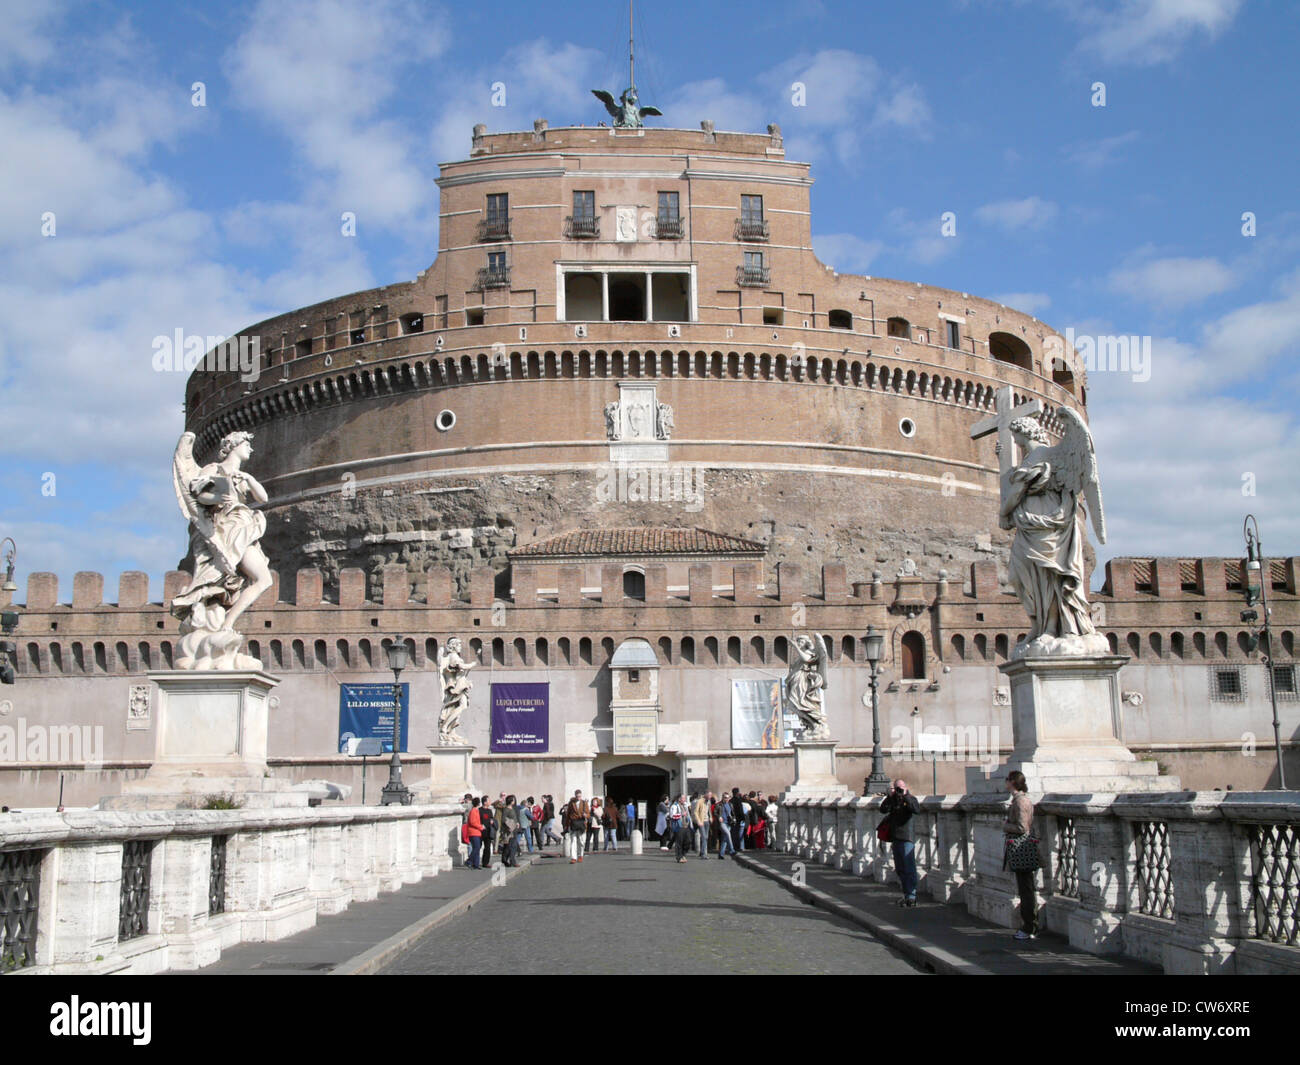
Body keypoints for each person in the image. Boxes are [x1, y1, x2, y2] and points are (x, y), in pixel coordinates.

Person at [1003, 770, 1039, 940]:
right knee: (1026, 887)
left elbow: (1022, 828)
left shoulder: (1020, 802)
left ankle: (1028, 927)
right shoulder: (1018, 801)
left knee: (1026, 889)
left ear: (1013, 782)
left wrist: (1006, 826)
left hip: (1021, 849)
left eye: (1007, 780)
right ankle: (1029, 925)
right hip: (1022, 848)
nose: (1005, 783)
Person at [879, 778, 921, 906]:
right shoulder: (893, 800)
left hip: (907, 838)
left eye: (900, 788)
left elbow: (916, 810)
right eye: (896, 788)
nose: (898, 791)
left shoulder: (910, 798)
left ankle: (912, 896)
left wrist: (905, 795)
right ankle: (906, 894)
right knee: (900, 869)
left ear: (905, 787)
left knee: (909, 868)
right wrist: (890, 797)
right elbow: (883, 809)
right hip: (896, 838)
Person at [564, 789, 589, 864]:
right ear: (575, 796)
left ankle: (580, 855)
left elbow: (588, 814)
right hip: (573, 823)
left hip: (581, 823)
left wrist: (586, 815)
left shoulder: (584, 803)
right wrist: (566, 825)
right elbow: (568, 814)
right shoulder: (571, 803)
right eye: (577, 796)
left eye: (580, 796)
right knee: (573, 841)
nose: (579, 797)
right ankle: (573, 858)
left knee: (581, 842)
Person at [501, 794, 521, 867]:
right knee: (511, 846)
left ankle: (506, 859)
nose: (514, 801)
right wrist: (508, 826)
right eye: (513, 799)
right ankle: (511, 861)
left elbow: (514, 818)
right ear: (511, 801)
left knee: (512, 846)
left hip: (514, 829)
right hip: (509, 830)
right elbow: (503, 819)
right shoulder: (506, 809)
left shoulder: (512, 808)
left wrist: (517, 823)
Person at [673, 794, 693, 863]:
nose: (685, 800)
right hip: (679, 826)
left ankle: (683, 854)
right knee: (679, 843)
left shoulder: (685, 806)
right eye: (683, 798)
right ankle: (679, 857)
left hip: (686, 826)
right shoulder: (675, 806)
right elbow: (672, 816)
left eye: (685, 798)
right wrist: (681, 814)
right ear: (679, 799)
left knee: (688, 841)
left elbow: (688, 815)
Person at [466, 796, 484, 869]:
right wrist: (480, 827)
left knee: (477, 848)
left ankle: (476, 864)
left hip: (477, 832)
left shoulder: (476, 810)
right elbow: (472, 822)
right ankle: (469, 861)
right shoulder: (473, 811)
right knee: (476, 848)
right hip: (474, 832)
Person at [715, 793, 734, 859]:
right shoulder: (718, 804)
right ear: (722, 798)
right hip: (722, 823)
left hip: (728, 823)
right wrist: (719, 817)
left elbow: (732, 813)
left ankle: (721, 854)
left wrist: (733, 818)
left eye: (728, 798)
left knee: (724, 839)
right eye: (725, 797)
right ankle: (732, 850)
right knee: (728, 834)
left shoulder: (730, 804)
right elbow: (715, 812)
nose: (727, 799)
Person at [479, 793, 496, 869]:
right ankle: (474, 861)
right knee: (478, 847)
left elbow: (491, 818)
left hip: (488, 831)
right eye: (488, 800)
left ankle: (485, 862)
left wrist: (492, 821)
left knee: (487, 848)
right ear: (485, 802)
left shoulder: (489, 811)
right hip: (480, 831)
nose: (490, 802)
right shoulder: (479, 810)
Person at [693, 792, 711, 859]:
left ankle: (701, 852)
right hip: (701, 821)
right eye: (709, 795)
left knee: (706, 837)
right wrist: (698, 821)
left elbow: (709, 810)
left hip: (707, 821)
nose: (710, 796)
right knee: (704, 837)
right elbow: (695, 811)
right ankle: (703, 854)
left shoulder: (708, 801)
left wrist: (711, 817)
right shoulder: (700, 801)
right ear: (705, 795)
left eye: (711, 795)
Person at [730, 788, 746, 853]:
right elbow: (740, 810)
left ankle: (733, 846)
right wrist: (743, 818)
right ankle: (737, 847)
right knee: (737, 833)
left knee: (733, 833)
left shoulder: (731, 800)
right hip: (738, 818)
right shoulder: (738, 800)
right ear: (737, 793)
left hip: (732, 818)